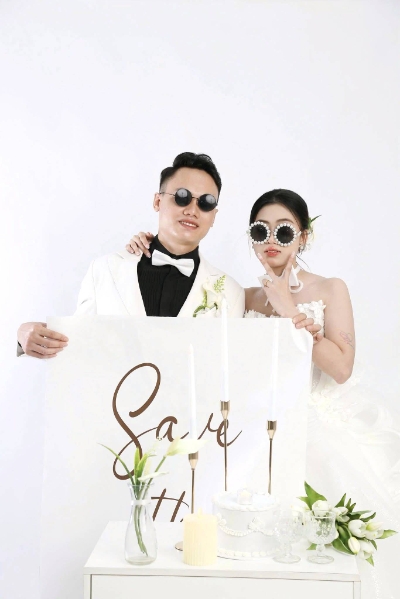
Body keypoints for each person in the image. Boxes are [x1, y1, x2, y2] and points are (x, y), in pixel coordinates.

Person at [127, 188, 400, 599]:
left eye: (284, 231)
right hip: (253, 433)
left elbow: (342, 369)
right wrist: (146, 250)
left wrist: (289, 308)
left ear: (303, 236)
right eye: (261, 230)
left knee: (317, 557)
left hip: (316, 433)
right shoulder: (243, 296)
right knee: (244, 554)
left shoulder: (330, 289)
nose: (271, 240)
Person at [16, 154, 320, 358]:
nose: (192, 209)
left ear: (214, 216)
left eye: (205, 202)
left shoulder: (229, 291)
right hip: (111, 424)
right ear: (157, 201)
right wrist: (23, 336)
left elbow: (228, 371)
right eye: (182, 197)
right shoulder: (105, 270)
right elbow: (76, 343)